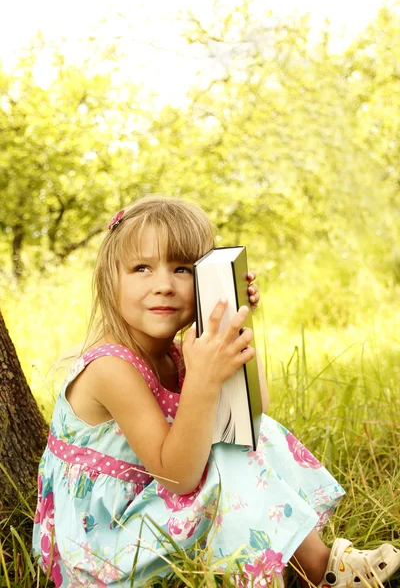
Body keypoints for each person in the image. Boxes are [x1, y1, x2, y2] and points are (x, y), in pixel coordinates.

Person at [33, 196, 400, 588]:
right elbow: (178, 478)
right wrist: (204, 380)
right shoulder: (111, 368)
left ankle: (321, 568)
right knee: (225, 450)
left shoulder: (180, 352)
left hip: (143, 513)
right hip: (100, 549)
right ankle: (321, 571)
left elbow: (252, 415)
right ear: (112, 279)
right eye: (142, 268)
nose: (163, 286)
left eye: (182, 269)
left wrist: (234, 323)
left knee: (246, 436)